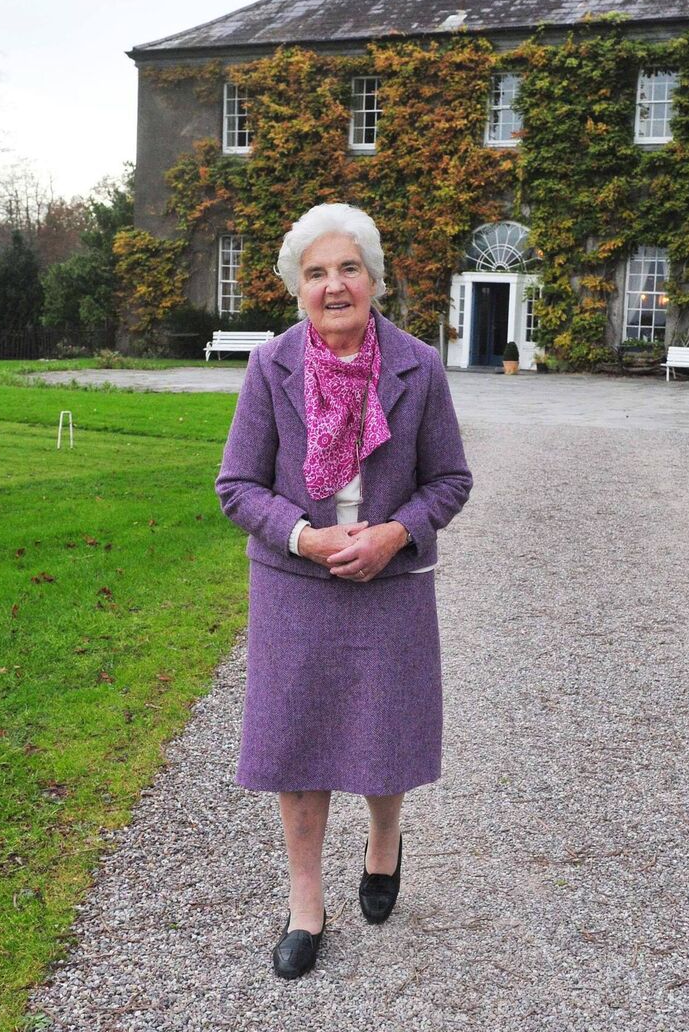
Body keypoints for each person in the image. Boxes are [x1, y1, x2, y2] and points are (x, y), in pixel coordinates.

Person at [216, 202, 472, 980]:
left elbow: (451, 480)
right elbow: (237, 487)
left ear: (373, 280)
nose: (334, 286)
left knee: (384, 736)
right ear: (297, 289)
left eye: (348, 269)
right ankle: (305, 905)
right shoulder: (271, 368)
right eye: (316, 273)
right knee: (299, 746)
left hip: (391, 583)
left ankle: (385, 845)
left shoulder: (418, 367)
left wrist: (394, 533)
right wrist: (304, 534)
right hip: (297, 585)